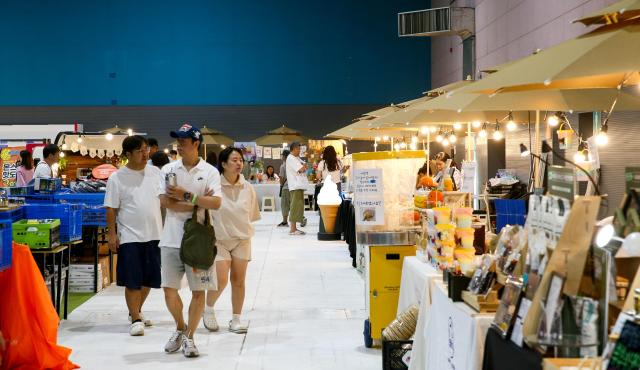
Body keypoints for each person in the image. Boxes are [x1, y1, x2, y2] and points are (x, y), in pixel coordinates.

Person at [158, 123, 222, 358]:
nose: (179, 145)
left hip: (199, 239)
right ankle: (180, 327)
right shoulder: (167, 169)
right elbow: (166, 202)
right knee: (168, 290)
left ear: (196, 144)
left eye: (183, 141)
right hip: (171, 238)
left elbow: (216, 203)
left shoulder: (210, 172)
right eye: (178, 141)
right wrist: (199, 201)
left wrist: (187, 195)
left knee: (198, 291)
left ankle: (191, 338)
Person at [104, 135, 163, 337]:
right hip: (130, 235)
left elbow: (164, 199)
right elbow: (111, 208)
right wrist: (112, 235)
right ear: (128, 154)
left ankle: (135, 311)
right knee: (132, 280)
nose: (145, 153)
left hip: (155, 234)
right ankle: (136, 319)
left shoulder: (156, 173)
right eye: (140, 150)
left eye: (146, 149)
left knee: (149, 279)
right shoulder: (117, 177)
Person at [203, 147, 260, 334]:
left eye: (240, 160)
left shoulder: (248, 187)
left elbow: (251, 214)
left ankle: (236, 319)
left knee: (238, 280)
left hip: (242, 239)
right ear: (224, 164)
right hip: (219, 240)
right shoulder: (214, 187)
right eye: (234, 160)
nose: (238, 163)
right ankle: (208, 308)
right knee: (220, 280)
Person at [286, 142, 308, 235]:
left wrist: (304, 166)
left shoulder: (295, 158)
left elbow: (304, 166)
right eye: (298, 149)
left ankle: (294, 228)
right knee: (295, 206)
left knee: (298, 205)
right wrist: (304, 166)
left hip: (297, 185)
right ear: (294, 149)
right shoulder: (291, 158)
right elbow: (301, 169)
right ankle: (293, 229)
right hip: (295, 185)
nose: (299, 151)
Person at [277, 150, 290, 227]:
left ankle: (285, 222)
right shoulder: (292, 165)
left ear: (285, 156)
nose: (281, 157)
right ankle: (302, 218)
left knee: (284, 204)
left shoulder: (283, 166)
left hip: (285, 187)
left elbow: (281, 179)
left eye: (282, 155)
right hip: (293, 187)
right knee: (293, 204)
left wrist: (281, 185)